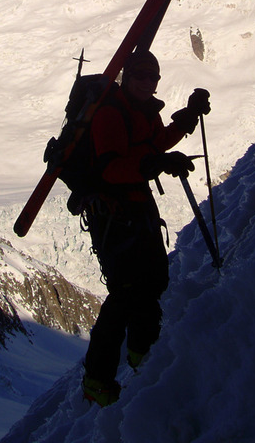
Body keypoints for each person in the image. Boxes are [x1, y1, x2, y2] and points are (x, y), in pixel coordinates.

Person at [81, 49, 210, 406]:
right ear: (127, 78)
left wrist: (186, 120)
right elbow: (110, 170)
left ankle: (142, 353)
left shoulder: (144, 112)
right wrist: (155, 163)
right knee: (124, 295)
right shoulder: (110, 113)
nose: (146, 83)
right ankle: (97, 379)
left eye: (152, 78)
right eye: (140, 76)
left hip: (138, 209)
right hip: (113, 215)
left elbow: (151, 145)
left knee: (153, 281)